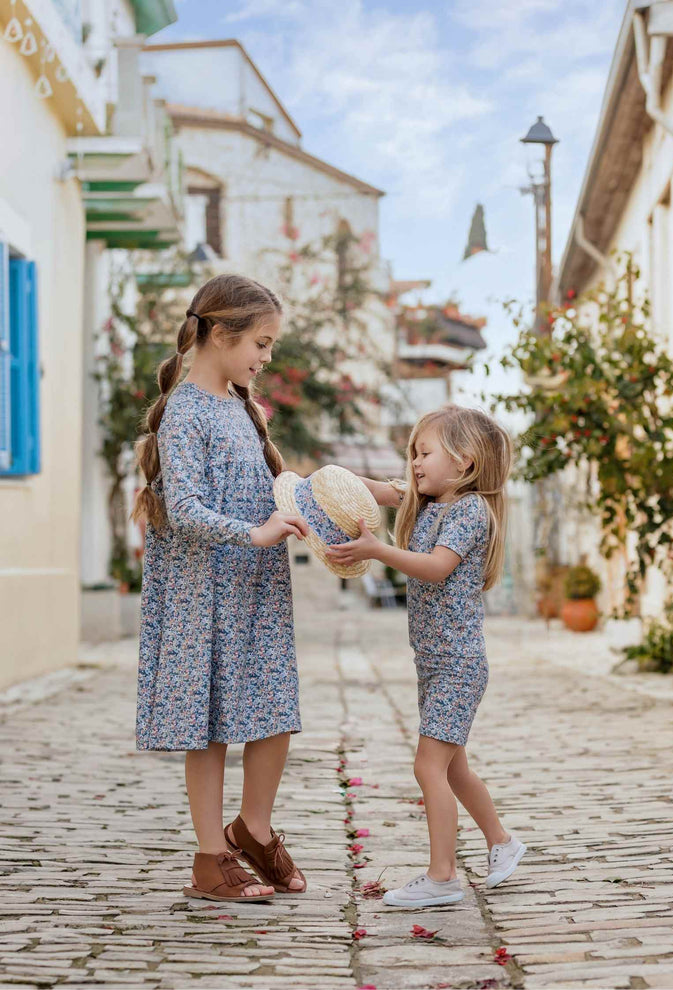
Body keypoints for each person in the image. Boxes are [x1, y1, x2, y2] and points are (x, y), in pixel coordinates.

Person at [133, 274, 310, 903]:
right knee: (209, 726)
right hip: (201, 592)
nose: (266, 358)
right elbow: (182, 508)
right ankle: (211, 856)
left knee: (273, 710)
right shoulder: (184, 410)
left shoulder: (241, 404)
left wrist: (363, 496)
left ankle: (253, 828)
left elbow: (275, 491)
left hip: (254, 592)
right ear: (218, 333)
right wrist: (255, 535)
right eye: (260, 343)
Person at [328, 405, 527, 906]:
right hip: (435, 663)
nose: (414, 462)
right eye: (413, 453)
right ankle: (503, 843)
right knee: (454, 767)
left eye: (425, 452)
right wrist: (328, 483)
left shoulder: (468, 510)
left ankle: (442, 878)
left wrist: (377, 551)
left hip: (458, 665)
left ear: (463, 462)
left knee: (428, 767)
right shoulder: (430, 500)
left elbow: (437, 567)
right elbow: (378, 490)